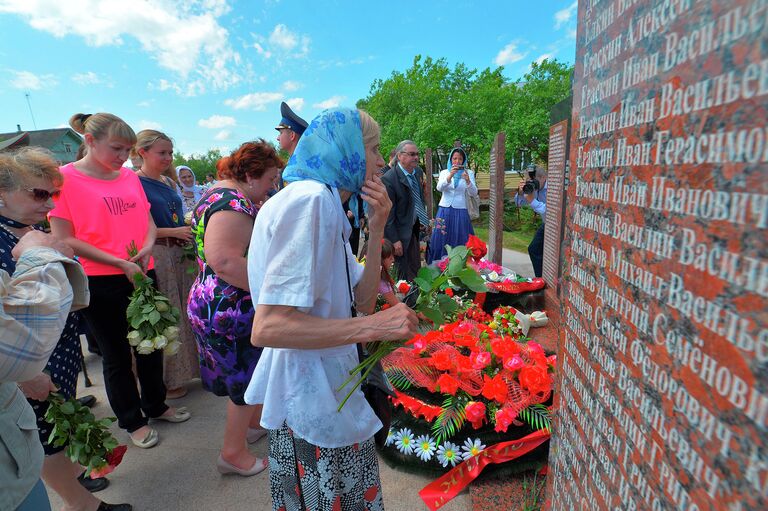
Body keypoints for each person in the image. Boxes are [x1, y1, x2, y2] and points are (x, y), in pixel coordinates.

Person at [244, 108, 419, 511]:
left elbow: (360, 298)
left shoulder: (320, 200)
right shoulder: (310, 202)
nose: (379, 161)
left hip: (320, 384)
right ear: (346, 150)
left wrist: (377, 229)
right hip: (313, 392)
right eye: (372, 149)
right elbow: (268, 327)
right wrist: (373, 326)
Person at [50, 112, 190, 452]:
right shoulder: (64, 179)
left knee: (151, 343)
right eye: (116, 148)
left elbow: (147, 222)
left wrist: (144, 248)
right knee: (116, 354)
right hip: (100, 279)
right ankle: (132, 419)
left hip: (141, 270)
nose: (122, 157)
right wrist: (118, 261)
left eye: (127, 150)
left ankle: (156, 405)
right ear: (89, 141)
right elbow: (64, 238)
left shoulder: (127, 177)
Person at [0, 152, 130, 511]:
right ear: (1, 193)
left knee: (55, 424)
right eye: (39, 194)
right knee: (43, 434)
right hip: (29, 360)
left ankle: (73, 480)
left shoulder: (28, 229)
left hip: (58, 345)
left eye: (53, 196)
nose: (50, 204)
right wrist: (26, 376)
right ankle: (82, 504)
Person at [187, 140, 283, 477]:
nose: (272, 187)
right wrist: (272, 291)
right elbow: (226, 261)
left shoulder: (218, 193)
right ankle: (233, 453)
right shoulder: (233, 202)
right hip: (229, 306)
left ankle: (253, 426)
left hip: (216, 299)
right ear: (252, 175)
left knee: (249, 373)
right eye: (271, 179)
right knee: (244, 380)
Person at [133, 130, 199, 400]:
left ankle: (188, 370)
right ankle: (168, 380)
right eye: (162, 152)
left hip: (179, 254)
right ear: (142, 153)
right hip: (157, 254)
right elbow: (136, 230)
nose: (168, 157)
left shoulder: (169, 183)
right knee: (166, 315)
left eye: (170, 152)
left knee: (185, 312)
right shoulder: (134, 183)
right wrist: (172, 232)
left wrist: (183, 228)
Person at [382, 140, 428, 281]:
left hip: (412, 232)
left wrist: (423, 221)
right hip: (399, 237)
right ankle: (401, 302)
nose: (416, 157)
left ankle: (413, 301)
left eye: (417, 154)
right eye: (412, 154)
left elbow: (417, 201)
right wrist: (395, 240)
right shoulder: (389, 179)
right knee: (401, 276)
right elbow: (388, 215)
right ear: (400, 156)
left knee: (415, 272)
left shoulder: (416, 174)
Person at [426, 147, 478, 264]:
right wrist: (450, 176)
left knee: (461, 238)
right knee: (440, 238)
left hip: (461, 210)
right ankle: (439, 265)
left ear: (464, 160)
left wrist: (468, 181)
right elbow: (439, 188)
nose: (457, 161)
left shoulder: (469, 173)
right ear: (451, 159)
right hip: (444, 209)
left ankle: (460, 265)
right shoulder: (444, 172)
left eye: (460, 159)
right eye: (454, 158)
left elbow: (474, 193)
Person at [515, 164, 547, 277]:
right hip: (546, 224)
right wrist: (521, 193)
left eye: (533, 181)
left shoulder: (552, 187)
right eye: (529, 180)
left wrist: (532, 201)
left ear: (543, 177)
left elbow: (548, 211)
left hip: (555, 224)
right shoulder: (534, 187)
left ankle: (544, 278)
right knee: (533, 249)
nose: (531, 183)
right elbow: (519, 203)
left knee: (542, 251)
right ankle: (540, 279)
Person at [378, 239, 399, 307]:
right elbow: (397, 305)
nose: (393, 259)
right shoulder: (381, 281)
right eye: (390, 258)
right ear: (381, 261)